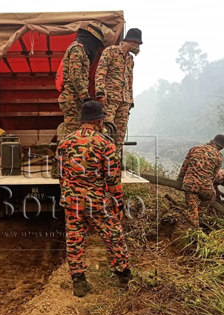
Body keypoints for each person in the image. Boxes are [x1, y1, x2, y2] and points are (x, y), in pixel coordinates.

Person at [57, 101, 131, 297]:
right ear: (98, 120)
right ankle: (124, 278)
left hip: (72, 201)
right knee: (114, 236)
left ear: (82, 120)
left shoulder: (64, 143)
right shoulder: (105, 144)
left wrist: (68, 194)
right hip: (97, 202)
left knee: (74, 240)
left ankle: (79, 284)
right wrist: (118, 205)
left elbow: (61, 175)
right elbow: (113, 178)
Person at [58, 22, 106, 136]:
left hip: (76, 99)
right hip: (72, 99)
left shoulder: (82, 50)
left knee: (77, 134)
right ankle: (65, 154)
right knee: (72, 135)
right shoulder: (77, 49)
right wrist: (86, 98)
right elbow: (76, 76)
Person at [95, 28, 142, 144]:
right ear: (132, 41)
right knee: (107, 130)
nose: (138, 48)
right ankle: (103, 158)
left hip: (124, 102)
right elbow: (100, 72)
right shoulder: (110, 52)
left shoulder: (130, 59)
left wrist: (130, 100)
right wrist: (100, 93)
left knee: (120, 135)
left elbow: (130, 80)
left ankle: (115, 160)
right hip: (110, 99)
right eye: (137, 44)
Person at [177, 134, 224, 227]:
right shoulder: (219, 157)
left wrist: (180, 180)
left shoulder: (195, 149)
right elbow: (213, 176)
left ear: (212, 141)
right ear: (220, 146)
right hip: (205, 186)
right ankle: (199, 215)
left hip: (190, 184)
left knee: (192, 208)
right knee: (211, 197)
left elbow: (184, 166)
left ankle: (194, 218)